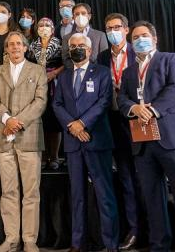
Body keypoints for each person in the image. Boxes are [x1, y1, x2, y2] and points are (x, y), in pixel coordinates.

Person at [117, 21, 175, 252]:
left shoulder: (171, 59)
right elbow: (122, 99)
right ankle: (159, 246)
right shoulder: (128, 72)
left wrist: (153, 109)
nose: (140, 40)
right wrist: (134, 108)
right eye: (135, 37)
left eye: (144, 35)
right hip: (143, 143)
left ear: (155, 38)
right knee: (152, 200)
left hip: (173, 139)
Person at [52, 33, 119, 252]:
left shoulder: (102, 72)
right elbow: (57, 104)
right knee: (77, 195)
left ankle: (110, 244)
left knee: (104, 195)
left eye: (81, 45)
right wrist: (72, 126)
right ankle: (77, 243)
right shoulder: (64, 76)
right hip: (73, 143)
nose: (77, 48)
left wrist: (82, 123)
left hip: (97, 140)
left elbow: (104, 101)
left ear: (89, 50)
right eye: (73, 46)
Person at [0, 31, 48, 252]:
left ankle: (30, 240)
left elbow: (40, 101)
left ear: (25, 47)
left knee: (31, 192)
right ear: (6, 49)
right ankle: (11, 239)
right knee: (8, 191)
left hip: (29, 137)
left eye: (18, 44)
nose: (14, 47)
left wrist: (17, 122)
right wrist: (7, 119)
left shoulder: (38, 70)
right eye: (10, 44)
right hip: (4, 137)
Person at [97, 13, 140, 249]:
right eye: (108, 28)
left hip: (137, 119)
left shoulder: (137, 52)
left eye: (117, 27)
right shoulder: (103, 57)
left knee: (144, 176)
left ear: (126, 29)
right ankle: (133, 229)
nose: (112, 31)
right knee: (125, 177)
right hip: (112, 120)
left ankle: (150, 229)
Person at [27, 18, 64, 170]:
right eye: (41, 25)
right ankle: (42, 156)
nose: (44, 27)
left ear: (53, 29)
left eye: (47, 25)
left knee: (54, 122)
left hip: (55, 85)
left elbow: (66, 63)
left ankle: (54, 156)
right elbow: (27, 64)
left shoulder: (60, 44)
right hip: (36, 86)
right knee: (39, 122)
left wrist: (54, 73)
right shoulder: (32, 45)